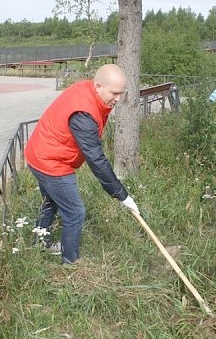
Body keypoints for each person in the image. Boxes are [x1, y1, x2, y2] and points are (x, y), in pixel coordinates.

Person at [24, 64, 140, 264]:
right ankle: (71, 261)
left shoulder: (88, 92)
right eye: (114, 93)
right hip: (51, 162)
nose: (118, 99)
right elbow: (96, 159)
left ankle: (38, 243)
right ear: (98, 86)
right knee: (75, 212)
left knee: (50, 201)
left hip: (40, 152)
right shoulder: (83, 114)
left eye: (121, 93)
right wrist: (122, 195)